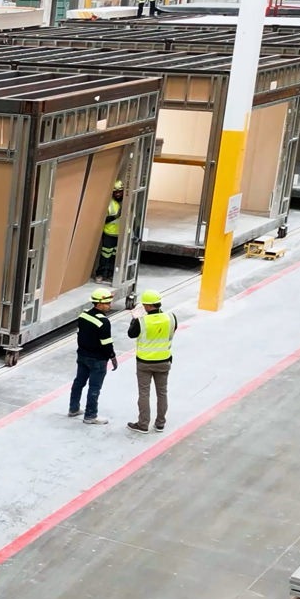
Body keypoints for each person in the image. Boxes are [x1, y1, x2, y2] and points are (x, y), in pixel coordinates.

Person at [126, 290, 178, 434]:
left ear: (148, 306)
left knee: (144, 393)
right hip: (164, 361)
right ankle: (160, 423)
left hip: (145, 362)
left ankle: (143, 424)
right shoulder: (171, 317)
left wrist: (134, 318)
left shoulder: (141, 321)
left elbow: (131, 334)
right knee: (162, 392)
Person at [69, 288, 119, 425]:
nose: (110, 305)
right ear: (98, 304)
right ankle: (90, 415)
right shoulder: (103, 322)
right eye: (107, 303)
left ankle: (73, 408)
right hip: (97, 359)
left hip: (82, 355)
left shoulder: (83, 315)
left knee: (79, 382)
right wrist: (113, 357)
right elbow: (106, 344)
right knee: (94, 387)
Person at [94, 181, 124, 282]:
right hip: (109, 233)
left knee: (114, 256)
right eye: (116, 192)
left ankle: (110, 274)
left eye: (120, 191)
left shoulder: (127, 201)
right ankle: (101, 274)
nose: (118, 194)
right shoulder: (109, 203)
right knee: (105, 255)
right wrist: (116, 216)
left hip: (121, 233)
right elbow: (102, 219)